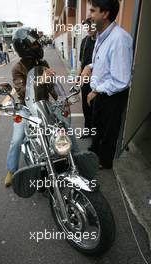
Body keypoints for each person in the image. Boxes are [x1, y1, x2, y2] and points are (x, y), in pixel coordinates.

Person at [81, 0, 133, 169]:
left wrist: (96, 90)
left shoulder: (120, 39)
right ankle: (95, 153)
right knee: (97, 128)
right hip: (100, 93)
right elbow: (103, 63)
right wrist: (89, 67)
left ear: (105, 13)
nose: (89, 15)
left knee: (108, 134)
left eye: (93, 11)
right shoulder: (101, 35)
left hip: (111, 96)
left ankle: (103, 163)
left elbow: (121, 80)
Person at [4, 27, 57, 187]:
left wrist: (60, 98)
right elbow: (21, 91)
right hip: (25, 108)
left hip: (43, 103)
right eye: (34, 44)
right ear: (24, 47)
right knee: (17, 138)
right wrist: (40, 81)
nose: (38, 46)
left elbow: (52, 88)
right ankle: (11, 170)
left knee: (64, 127)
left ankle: (76, 158)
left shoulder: (43, 63)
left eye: (37, 43)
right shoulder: (17, 68)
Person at [78, 18, 96, 138]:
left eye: (90, 26)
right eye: (86, 27)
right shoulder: (84, 41)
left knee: (95, 108)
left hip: (97, 81)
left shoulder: (101, 41)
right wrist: (79, 77)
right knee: (85, 106)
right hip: (85, 80)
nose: (88, 29)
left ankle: (95, 133)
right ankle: (87, 130)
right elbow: (82, 61)